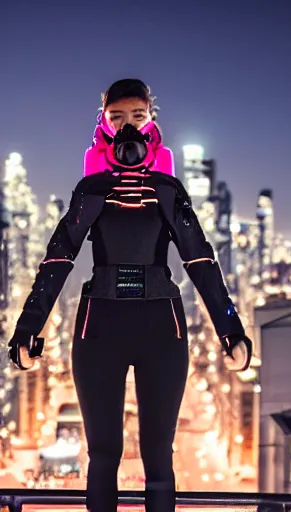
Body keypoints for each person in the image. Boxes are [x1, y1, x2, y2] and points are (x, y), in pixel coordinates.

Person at [7, 79, 252, 512]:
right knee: (102, 455)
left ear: (151, 120)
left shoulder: (168, 190)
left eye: (137, 117)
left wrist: (231, 331)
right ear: (103, 121)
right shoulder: (91, 190)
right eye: (116, 117)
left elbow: (200, 261)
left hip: (163, 327)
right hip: (98, 326)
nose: (127, 127)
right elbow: (57, 259)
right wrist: (26, 329)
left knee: (159, 456)